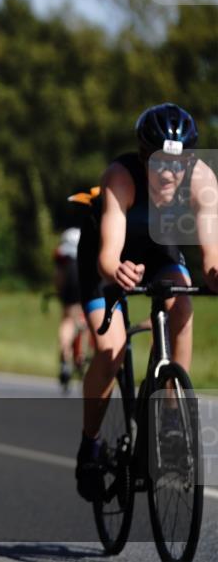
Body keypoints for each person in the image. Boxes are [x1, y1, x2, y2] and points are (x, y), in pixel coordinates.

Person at [74, 103, 218, 501]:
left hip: (159, 251)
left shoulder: (203, 180)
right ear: (143, 157)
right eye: (159, 163)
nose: (170, 174)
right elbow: (108, 255)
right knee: (110, 350)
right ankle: (90, 444)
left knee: (182, 304)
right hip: (106, 259)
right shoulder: (120, 177)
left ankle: (168, 417)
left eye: (179, 164)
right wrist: (117, 270)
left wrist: (215, 275)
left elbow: (210, 256)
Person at [53, 227, 88, 390]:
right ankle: (81, 356)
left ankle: (65, 354)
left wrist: (59, 293)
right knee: (85, 320)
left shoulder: (63, 255)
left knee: (68, 319)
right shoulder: (85, 251)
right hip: (84, 282)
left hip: (69, 286)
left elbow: (59, 277)